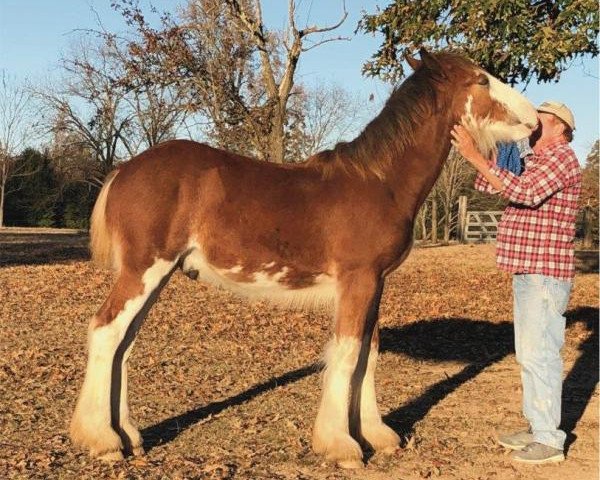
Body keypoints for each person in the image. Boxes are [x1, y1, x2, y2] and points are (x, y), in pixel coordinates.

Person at [450, 101, 582, 464]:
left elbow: (524, 193)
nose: (531, 124)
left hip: (544, 273)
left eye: (539, 120)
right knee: (528, 352)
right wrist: (488, 146)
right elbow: (491, 185)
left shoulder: (562, 158)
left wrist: (476, 156)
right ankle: (538, 426)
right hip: (528, 270)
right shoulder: (532, 159)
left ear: (559, 127)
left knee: (540, 353)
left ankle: (549, 440)